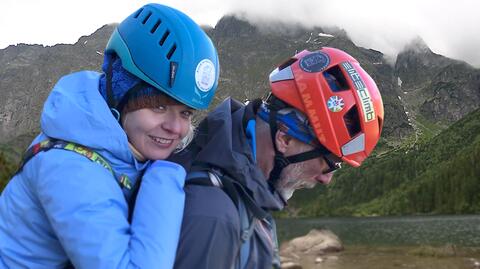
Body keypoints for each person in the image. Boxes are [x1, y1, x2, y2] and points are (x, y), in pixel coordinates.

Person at [0, 3, 219, 269]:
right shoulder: (71, 170)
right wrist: (166, 173)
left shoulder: (115, 144)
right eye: (159, 106)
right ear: (121, 96)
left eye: (185, 113)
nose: (176, 128)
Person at [171, 47, 384, 269]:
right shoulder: (214, 215)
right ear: (285, 139)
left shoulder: (249, 191)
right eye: (328, 162)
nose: (326, 179)